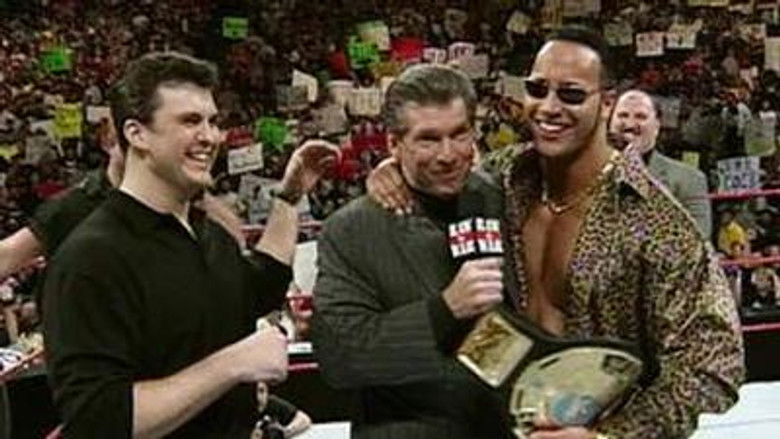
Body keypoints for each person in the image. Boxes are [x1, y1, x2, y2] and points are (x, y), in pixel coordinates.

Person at [366, 26, 744, 439]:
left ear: (607, 104)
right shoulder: (501, 178)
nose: (548, 107)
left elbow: (714, 367)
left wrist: (610, 436)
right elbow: (434, 176)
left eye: (571, 94)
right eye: (537, 89)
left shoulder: (657, 222)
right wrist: (395, 172)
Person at [42, 51, 338, 439]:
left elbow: (259, 287)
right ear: (136, 134)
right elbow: (98, 419)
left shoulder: (208, 234)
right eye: (190, 121)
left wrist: (289, 197)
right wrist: (231, 365)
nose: (210, 137)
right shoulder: (90, 259)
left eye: (213, 121)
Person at [311, 64, 513, 439]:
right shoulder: (351, 230)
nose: (448, 154)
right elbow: (341, 359)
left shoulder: (501, 197)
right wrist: (444, 311)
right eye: (428, 140)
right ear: (393, 144)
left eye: (459, 134)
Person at [609, 89, 712, 237]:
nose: (630, 124)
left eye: (641, 116)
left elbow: (698, 241)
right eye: (623, 115)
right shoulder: (585, 174)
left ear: (657, 126)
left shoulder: (689, 179)